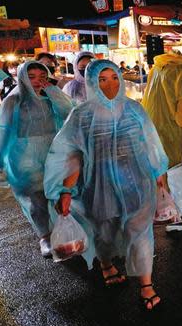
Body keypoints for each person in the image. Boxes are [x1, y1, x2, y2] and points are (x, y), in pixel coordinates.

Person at [44, 60, 168, 310]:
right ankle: (106, 264)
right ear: (91, 82)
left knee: (142, 232)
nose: (110, 84)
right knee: (104, 230)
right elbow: (72, 155)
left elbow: (150, 144)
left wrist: (159, 177)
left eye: (114, 77)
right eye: (102, 79)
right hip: (98, 184)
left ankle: (146, 284)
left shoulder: (135, 109)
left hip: (137, 180)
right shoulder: (81, 115)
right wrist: (66, 190)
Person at [0, 61, 74, 257]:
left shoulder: (51, 97)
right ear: (23, 77)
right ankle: (45, 236)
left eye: (41, 77)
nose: (36, 81)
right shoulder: (13, 100)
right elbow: (1, 130)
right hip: (24, 157)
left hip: (53, 152)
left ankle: (62, 233)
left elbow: (70, 113)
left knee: (59, 194)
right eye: (31, 77)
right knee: (37, 198)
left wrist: (54, 93)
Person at [142, 39, 182, 170]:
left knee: (158, 171)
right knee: (175, 175)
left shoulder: (158, 67)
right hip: (173, 134)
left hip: (151, 128)